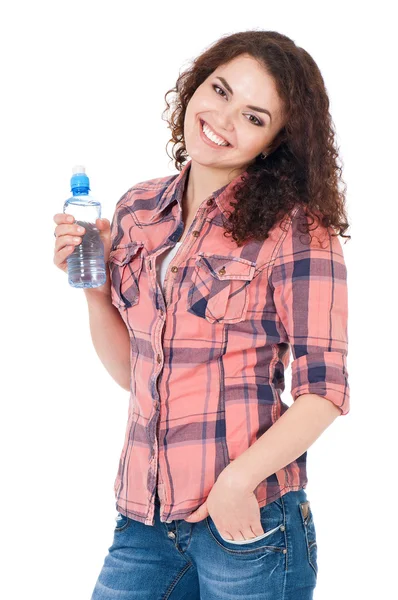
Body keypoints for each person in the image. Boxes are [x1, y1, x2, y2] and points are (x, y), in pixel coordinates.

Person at [53, 30, 351, 600]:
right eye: (219, 90)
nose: (223, 118)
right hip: (144, 520)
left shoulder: (298, 231)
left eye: (254, 116)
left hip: (246, 523)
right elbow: (134, 371)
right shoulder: (139, 210)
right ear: (196, 84)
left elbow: (325, 390)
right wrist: (93, 286)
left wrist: (237, 482)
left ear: (275, 142)